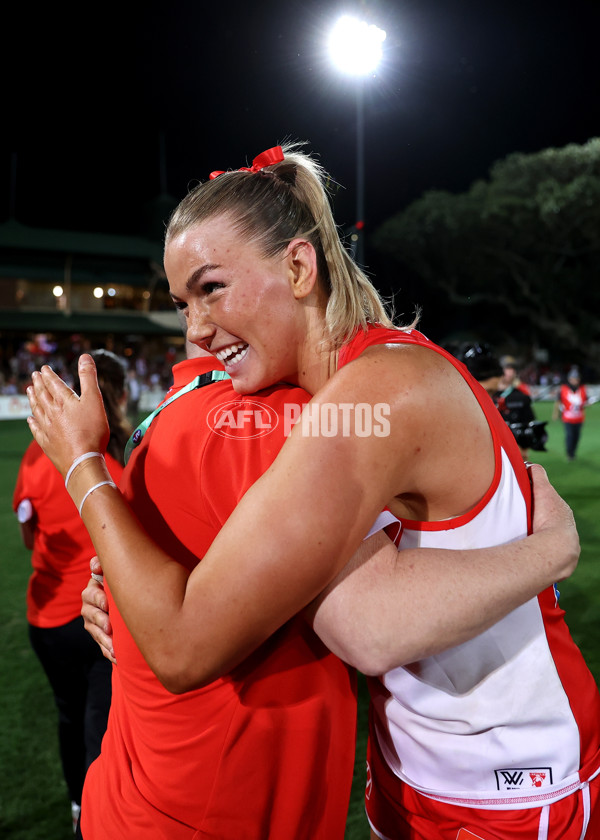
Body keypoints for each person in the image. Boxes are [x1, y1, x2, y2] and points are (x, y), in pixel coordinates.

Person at [26, 143, 599, 839]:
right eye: (182, 303)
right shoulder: (321, 395)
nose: (197, 330)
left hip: (511, 778)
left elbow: (347, 628)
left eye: (213, 289)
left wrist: (85, 463)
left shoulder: (377, 390)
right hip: (417, 766)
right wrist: (116, 586)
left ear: (299, 267)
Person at [13, 349, 131, 833]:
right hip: (100, 617)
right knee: (100, 726)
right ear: (118, 398)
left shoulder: (37, 454)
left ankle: (80, 806)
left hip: (45, 621)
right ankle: (96, 814)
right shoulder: (120, 462)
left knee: (70, 716)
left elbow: (28, 533)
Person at [457, 342, 547, 458]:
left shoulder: (521, 396)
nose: (508, 372)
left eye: (511, 368)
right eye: (506, 368)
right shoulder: (458, 409)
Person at [553, 367, 589, 461]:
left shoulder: (582, 389)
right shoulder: (563, 389)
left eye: (576, 379)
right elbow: (558, 401)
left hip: (579, 418)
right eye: (573, 379)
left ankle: (573, 452)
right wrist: (556, 413)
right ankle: (569, 453)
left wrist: (585, 405)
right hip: (567, 418)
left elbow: (585, 401)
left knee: (577, 436)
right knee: (570, 435)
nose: (575, 381)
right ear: (569, 379)